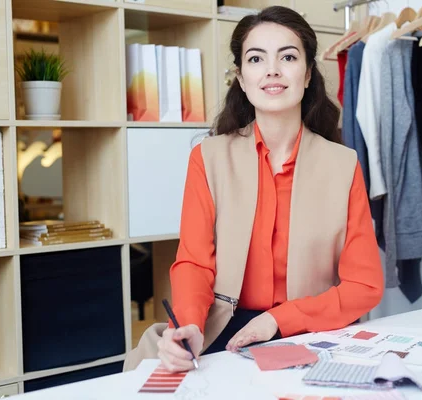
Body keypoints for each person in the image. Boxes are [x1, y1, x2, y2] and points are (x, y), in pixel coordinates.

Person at [124, 5, 384, 373]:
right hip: (219, 330)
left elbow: (364, 285)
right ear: (242, 78)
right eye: (256, 58)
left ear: (308, 74)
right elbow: (194, 263)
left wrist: (280, 319)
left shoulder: (343, 165)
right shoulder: (208, 158)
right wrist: (189, 326)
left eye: (288, 57)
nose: (272, 70)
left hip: (308, 329)